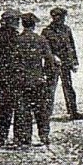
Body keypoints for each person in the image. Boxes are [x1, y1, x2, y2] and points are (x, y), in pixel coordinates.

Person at [14, 13, 55, 147]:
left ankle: (25, 138)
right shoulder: (40, 39)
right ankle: (43, 135)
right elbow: (49, 60)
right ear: (34, 25)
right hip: (38, 79)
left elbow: (12, 62)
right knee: (41, 110)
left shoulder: (17, 40)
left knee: (23, 110)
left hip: (21, 81)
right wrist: (48, 77)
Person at [42, 6, 81, 120]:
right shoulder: (47, 32)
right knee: (50, 89)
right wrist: (53, 57)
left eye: (63, 17)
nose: (62, 19)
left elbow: (71, 47)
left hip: (66, 64)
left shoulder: (67, 30)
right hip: (52, 65)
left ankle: (73, 111)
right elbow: (44, 50)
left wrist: (74, 62)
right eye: (59, 17)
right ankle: (46, 113)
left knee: (68, 87)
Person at [0, 9, 21, 147]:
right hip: (12, 77)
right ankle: (17, 137)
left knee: (3, 108)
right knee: (17, 107)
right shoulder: (14, 37)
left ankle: (1, 137)